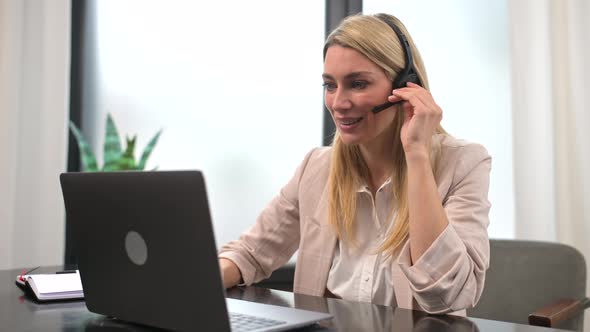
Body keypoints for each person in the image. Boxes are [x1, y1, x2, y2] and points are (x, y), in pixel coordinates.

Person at [218, 13, 491, 315]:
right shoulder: (317, 167)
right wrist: (201, 279)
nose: (338, 103)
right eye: (330, 85)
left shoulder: (463, 162)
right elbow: (252, 253)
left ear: (406, 86)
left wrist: (417, 155)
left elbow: (446, 294)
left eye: (357, 84)